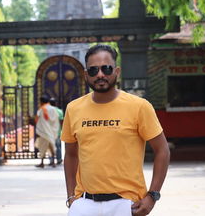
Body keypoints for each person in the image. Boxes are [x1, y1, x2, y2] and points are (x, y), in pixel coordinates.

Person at [61, 44, 170, 216]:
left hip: (127, 204)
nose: (100, 75)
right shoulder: (73, 109)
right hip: (85, 203)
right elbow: (71, 155)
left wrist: (152, 195)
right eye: (93, 70)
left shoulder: (139, 106)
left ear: (117, 71)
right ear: (85, 74)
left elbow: (162, 150)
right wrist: (71, 197)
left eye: (106, 68)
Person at [34, 95, 58, 168]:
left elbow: (37, 120)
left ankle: (42, 163)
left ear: (41, 102)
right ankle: (53, 162)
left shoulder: (41, 109)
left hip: (43, 132)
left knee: (42, 147)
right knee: (52, 146)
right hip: (50, 131)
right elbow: (55, 120)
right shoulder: (53, 109)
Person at [49, 97, 64, 165]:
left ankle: (51, 160)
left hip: (49, 131)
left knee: (50, 146)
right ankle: (59, 159)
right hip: (57, 131)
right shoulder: (59, 111)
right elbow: (61, 122)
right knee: (58, 146)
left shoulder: (47, 111)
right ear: (55, 103)